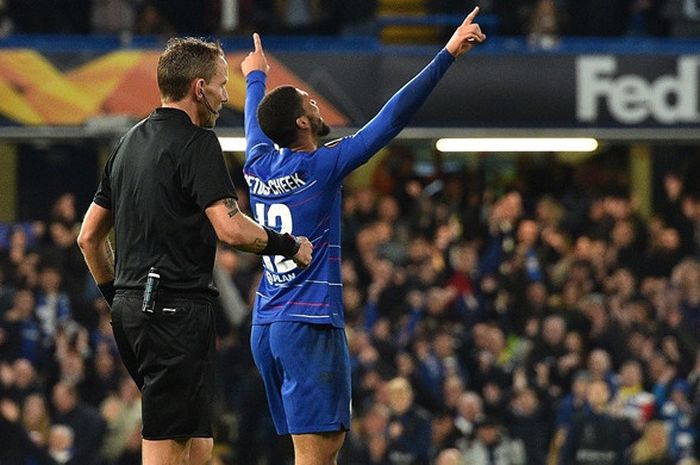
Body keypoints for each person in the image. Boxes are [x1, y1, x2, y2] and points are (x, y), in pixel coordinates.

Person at [240, 8, 486, 465]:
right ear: (300, 124)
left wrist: (256, 77)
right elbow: (390, 119)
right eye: (309, 103)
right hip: (308, 323)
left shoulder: (256, 162)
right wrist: (447, 53)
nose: (316, 104)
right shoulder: (321, 166)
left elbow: (254, 122)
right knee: (317, 453)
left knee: (318, 449)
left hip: (268, 322)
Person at [77, 37, 313, 465]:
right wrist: (288, 245)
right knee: (167, 449)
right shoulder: (199, 143)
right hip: (174, 313)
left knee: (197, 446)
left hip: (137, 310)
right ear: (199, 87)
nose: (226, 95)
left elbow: (88, 237)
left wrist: (119, 298)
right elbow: (230, 228)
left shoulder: (126, 144)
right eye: (223, 85)